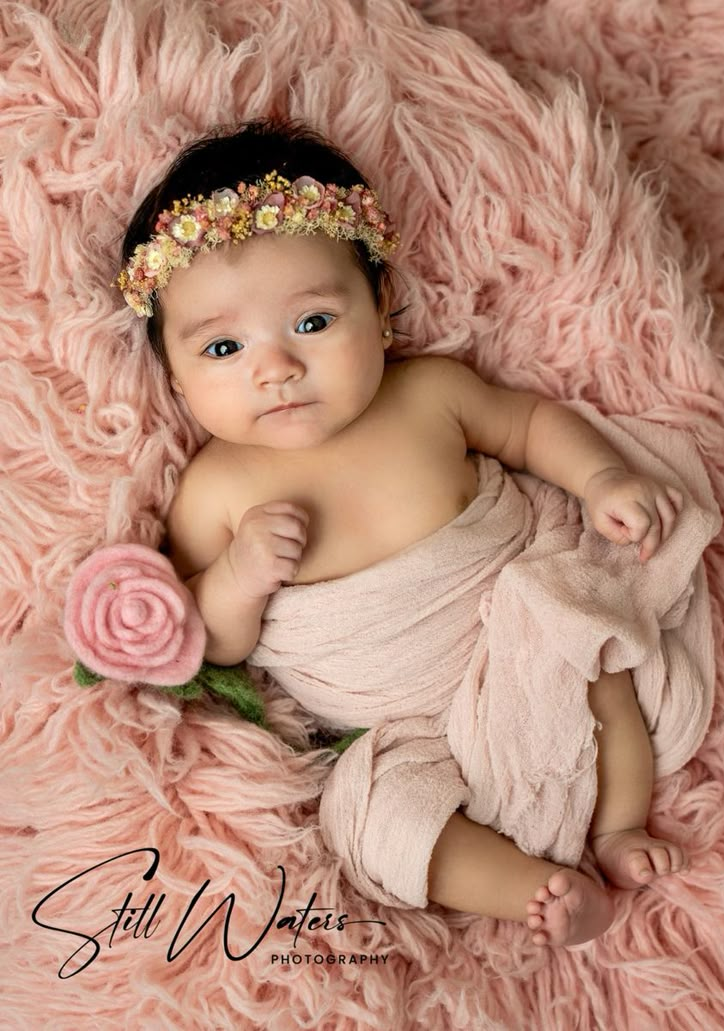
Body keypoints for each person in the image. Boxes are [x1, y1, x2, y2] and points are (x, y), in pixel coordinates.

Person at [117, 116, 689, 948]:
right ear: (173, 370)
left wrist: (601, 478)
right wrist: (237, 575)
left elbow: (528, 427)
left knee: (591, 635)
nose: (274, 369)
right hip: (403, 726)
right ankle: (539, 890)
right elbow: (214, 643)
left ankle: (619, 827)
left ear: (379, 304)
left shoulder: (429, 395)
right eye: (225, 347)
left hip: (521, 636)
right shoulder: (215, 489)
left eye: (312, 324)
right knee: (369, 809)